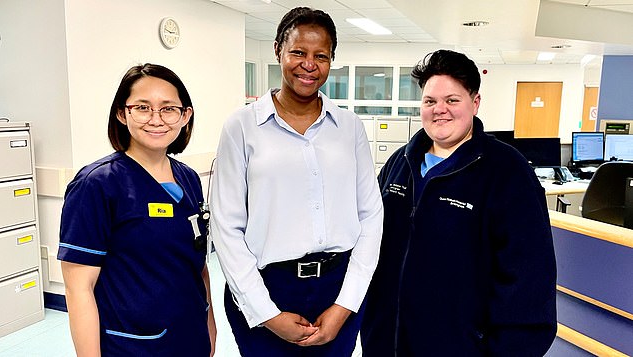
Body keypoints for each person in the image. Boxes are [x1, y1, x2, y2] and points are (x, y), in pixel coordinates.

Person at [210, 7, 383, 357]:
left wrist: (345, 305)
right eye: (298, 52)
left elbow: (371, 215)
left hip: (338, 286)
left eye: (321, 56)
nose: (309, 64)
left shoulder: (349, 127)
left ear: (331, 60)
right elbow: (226, 225)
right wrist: (266, 313)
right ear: (278, 50)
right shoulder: (242, 126)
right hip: (267, 286)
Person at [360, 50, 557, 356]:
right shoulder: (401, 163)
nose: (440, 110)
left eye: (452, 100)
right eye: (430, 101)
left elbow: (529, 282)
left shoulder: (507, 172)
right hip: (387, 343)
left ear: (474, 103)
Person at [58, 63, 216, 356]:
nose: (156, 119)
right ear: (122, 113)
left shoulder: (189, 178)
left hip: (190, 335)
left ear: (185, 116)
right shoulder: (98, 184)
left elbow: (197, 264)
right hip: (132, 345)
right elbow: (79, 290)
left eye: (168, 109)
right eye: (142, 107)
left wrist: (210, 326)